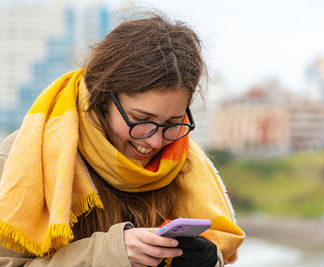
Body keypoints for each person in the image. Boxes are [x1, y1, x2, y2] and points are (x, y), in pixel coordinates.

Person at [0, 11, 245, 267]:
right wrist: (111, 253)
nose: (156, 142)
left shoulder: (184, 163)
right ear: (103, 97)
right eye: (141, 119)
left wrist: (208, 259)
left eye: (172, 123)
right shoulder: (25, 158)